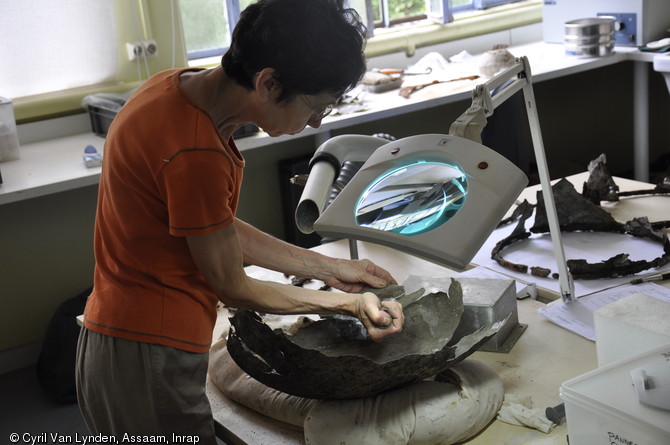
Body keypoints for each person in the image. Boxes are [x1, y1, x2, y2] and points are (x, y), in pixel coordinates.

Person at [76, 0, 405, 442]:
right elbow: (234, 285)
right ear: (268, 83)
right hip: (147, 354)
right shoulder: (196, 152)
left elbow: (214, 227)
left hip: (120, 338)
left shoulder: (172, 89)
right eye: (316, 107)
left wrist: (332, 270)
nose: (313, 122)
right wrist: (345, 304)